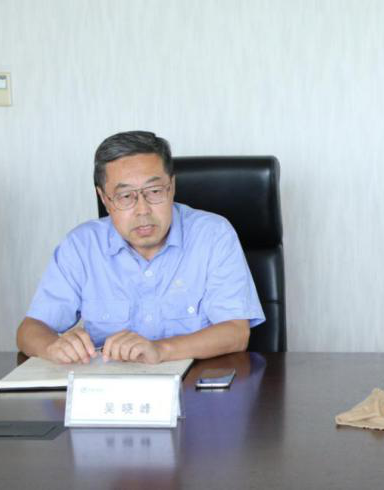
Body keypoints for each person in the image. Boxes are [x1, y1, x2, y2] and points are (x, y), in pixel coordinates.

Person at [16, 131, 264, 364]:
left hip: (193, 386)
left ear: (172, 187)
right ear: (104, 199)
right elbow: (30, 329)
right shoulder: (81, 246)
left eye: (154, 191)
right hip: (108, 389)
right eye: (126, 196)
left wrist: (160, 350)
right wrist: (53, 347)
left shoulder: (213, 235)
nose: (142, 210)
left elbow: (236, 333)